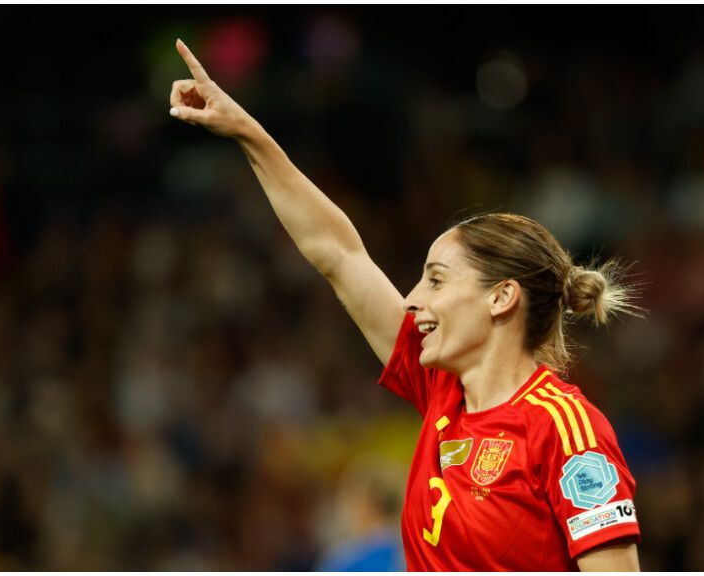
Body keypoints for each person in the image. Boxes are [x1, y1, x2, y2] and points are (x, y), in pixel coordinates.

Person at [169, 39, 642, 571]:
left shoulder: (564, 429)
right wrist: (248, 133)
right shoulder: (442, 392)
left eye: (436, 280)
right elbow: (339, 255)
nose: (413, 300)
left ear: (501, 297)